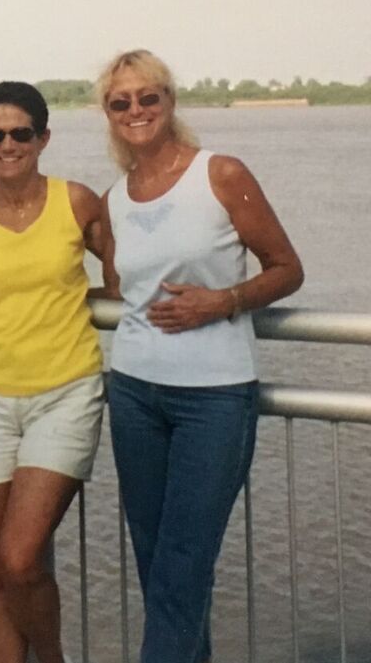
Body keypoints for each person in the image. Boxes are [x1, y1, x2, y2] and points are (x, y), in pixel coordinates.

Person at [94, 49, 304, 663]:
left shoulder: (221, 174)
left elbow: (287, 268)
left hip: (214, 399)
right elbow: (121, 288)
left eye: (147, 97)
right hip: (133, 392)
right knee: (157, 563)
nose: (136, 110)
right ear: (109, 113)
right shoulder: (115, 198)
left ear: (169, 100)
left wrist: (224, 301)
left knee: (183, 566)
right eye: (121, 102)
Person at [0, 81, 106, 663]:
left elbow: (127, 271)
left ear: (43, 137)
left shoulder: (77, 202)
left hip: (65, 394)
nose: (7, 145)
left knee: (19, 557)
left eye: (20, 133)